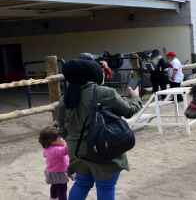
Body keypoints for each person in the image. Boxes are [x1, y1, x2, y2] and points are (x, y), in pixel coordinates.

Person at [57, 59, 142, 200]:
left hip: (77, 152)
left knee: (82, 184)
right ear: (92, 74)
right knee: (106, 188)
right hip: (101, 149)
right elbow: (129, 111)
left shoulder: (64, 99)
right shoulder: (104, 93)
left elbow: (61, 128)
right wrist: (135, 97)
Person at [38, 126, 69, 200]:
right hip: (59, 173)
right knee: (62, 189)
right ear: (52, 141)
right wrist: (65, 143)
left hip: (51, 172)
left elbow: (45, 155)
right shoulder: (56, 150)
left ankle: (53, 197)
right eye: (59, 137)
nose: (61, 138)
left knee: (54, 186)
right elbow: (67, 150)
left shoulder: (47, 148)